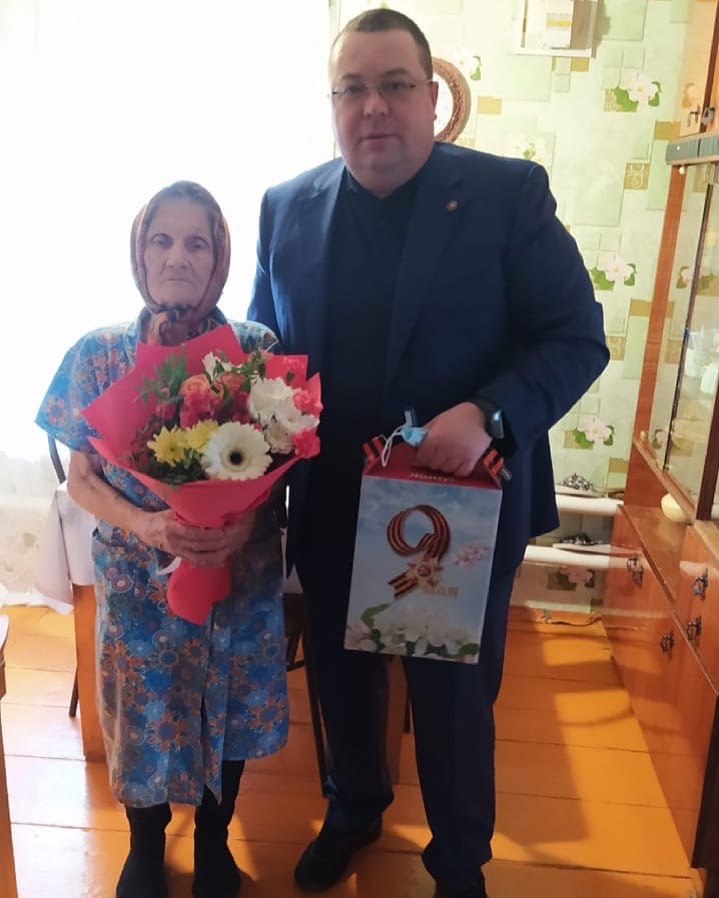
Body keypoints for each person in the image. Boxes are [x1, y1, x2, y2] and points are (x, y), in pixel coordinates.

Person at [248, 8, 609, 898]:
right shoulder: (284, 206)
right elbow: (265, 355)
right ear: (332, 103)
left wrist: (486, 413)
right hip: (332, 497)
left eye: (394, 85)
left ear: (432, 95)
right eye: (352, 89)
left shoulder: (505, 195)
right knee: (340, 676)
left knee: (450, 697)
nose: (373, 107)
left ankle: (457, 865)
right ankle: (353, 809)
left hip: (458, 502)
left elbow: (575, 337)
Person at [36, 181, 288, 898]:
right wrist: (149, 523)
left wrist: (240, 522)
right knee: (140, 709)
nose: (178, 257)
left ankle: (213, 842)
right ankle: (145, 847)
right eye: (161, 240)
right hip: (135, 574)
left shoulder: (254, 351)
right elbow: (81, 479)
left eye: (197, 243)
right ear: (139, 254)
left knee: (225, 703)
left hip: (236, 571)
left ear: (219, 260)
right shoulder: (96, 355)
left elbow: (280, 469)